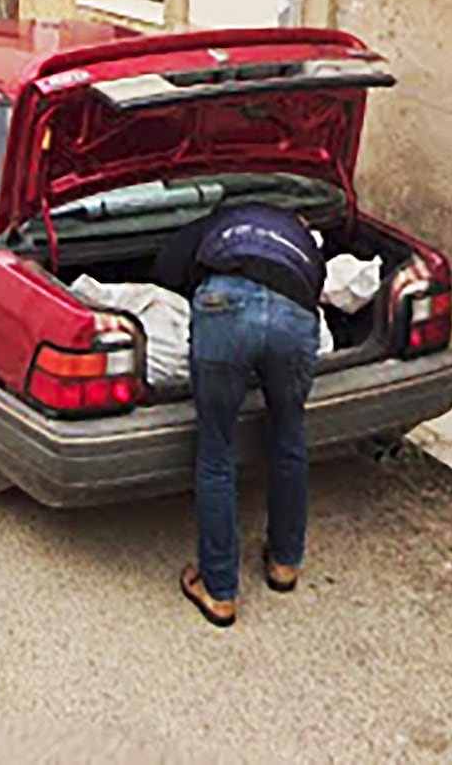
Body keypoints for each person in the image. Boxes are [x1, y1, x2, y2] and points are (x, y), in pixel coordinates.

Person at [153, 202, 325, 628]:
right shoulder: (303, 241)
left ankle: (219, 589)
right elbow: (315, 290)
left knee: (217, 451)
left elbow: (166, 270)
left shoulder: (217, 222)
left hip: (224, 304)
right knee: (289, 435)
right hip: (293, 315)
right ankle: (285, 563)